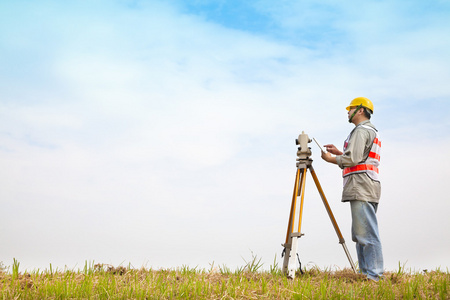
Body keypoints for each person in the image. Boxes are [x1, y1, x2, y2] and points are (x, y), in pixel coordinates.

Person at [321, 97, 384, 282]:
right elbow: (359, 157)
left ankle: (374, 276)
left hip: (362, 185)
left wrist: (331, 159)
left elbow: (353, 159)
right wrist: (340, 154)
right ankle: (367, 274)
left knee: (366, 233)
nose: (348, 112)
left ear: (361, 111)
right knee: (361, 232)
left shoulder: (361, 131)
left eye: (351, 109)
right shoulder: (370, 131)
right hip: (367, 184)